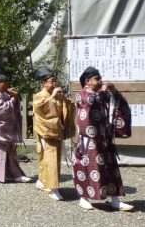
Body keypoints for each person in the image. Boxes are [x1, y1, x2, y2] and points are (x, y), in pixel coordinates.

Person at [73, 66, 133, 211]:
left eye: (100, 78)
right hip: (90, 140)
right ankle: (84, 198)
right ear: (88, 81)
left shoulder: (102, 94)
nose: (100, 81)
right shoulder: (82, 95)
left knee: (111, 168)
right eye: (97, 78)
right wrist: (103, 91)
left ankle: (115, 200)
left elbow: (117, 104)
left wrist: (115, 92)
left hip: (105, 138)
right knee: (88, 167)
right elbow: (89, 102)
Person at [32, 66, 75, 200]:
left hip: (57, 131)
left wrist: (66, 101)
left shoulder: (56, 95)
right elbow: (40, 109)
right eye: (51, 81)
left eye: (54, 81)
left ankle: (42, 181)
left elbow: (66, 109)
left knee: (51, 158)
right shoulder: (39, 96)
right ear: (44, 83)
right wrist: (52, 97)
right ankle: (53, 188)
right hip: (46, 131)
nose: (54, 84)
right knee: (51, 159)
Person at [0, 71, 31, 183]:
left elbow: (12, 106)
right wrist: (13, 100)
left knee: (11, 154)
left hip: (6, 130)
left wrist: (14, 97)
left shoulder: (5, 94)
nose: (7, 86)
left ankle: (15, 174)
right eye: (5, 83)